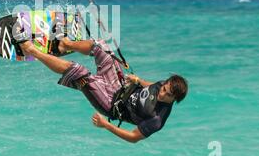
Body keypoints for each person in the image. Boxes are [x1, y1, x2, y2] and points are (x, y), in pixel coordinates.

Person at [18, 37, 188, 143]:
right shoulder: (162, 85)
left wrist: (106, 125)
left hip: (110, 104)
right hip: (120, 86)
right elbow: (151, 85)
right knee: (101, 46)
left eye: (167, 95)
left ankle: (32, 50)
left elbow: (133, 138)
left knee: (78, 71)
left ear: (175, 99)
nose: (162, 93)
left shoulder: (157, 120)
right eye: (164, 88)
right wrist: (138, 80)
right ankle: (64, 44)